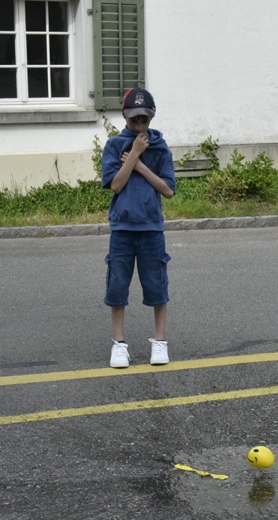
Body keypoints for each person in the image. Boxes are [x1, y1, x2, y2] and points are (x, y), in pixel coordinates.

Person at [101, 87, 176, 368]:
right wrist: (133, 153)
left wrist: (141, 165)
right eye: (134, 120)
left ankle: (160, 342)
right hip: (122, 228)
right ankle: (119, 344)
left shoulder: (160, 147)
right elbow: (116, 185)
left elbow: (168, 190)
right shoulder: (114, 146)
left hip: (151, 228)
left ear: (152, 117)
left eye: (145, 119)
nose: (140, 125)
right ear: (124, 116)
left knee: (156, 285)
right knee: (117, 285)